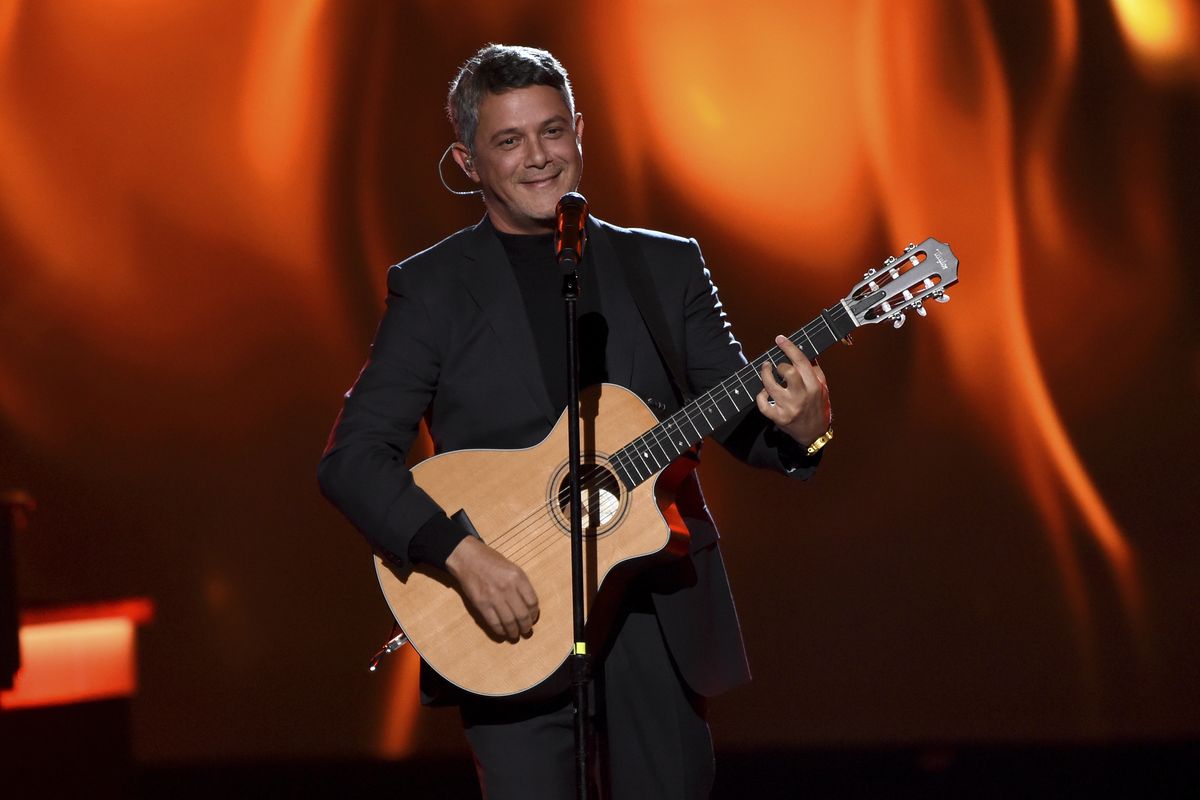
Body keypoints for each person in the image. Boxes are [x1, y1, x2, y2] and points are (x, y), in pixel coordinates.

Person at [318, 44, 832, 799]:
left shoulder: (665, 266)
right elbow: (352, 460)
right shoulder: (429, 290)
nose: (538, 158)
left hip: (654, 608)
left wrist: (805, 426)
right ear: (466, 161)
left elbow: (738, 418)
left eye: (553, 132)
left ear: (581, 132)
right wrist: (460, 554)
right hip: (508, 613)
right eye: (509, 140)